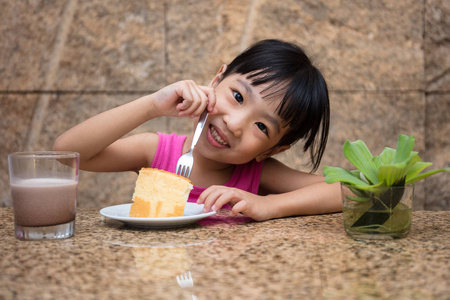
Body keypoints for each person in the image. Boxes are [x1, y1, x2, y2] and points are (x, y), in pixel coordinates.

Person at [53, 39, 341, 221]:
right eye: (238, 96)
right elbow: (67, 154)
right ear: (216, 81)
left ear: (271, 150)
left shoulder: (258, 174)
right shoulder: (156, 152)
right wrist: (152, 105)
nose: (235, 123)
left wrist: (270, 206)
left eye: (262, 126)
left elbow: (349, 191)